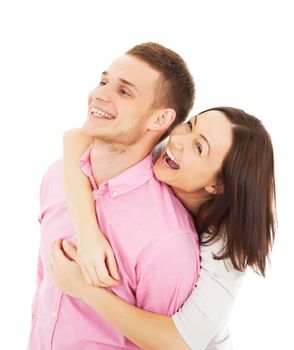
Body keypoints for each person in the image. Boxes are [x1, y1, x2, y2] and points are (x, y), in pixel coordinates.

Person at [48, 106, 276, 350]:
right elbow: (77, 139)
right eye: (190, 125)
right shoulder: (164, 155)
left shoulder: (226, 247)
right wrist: (88, 236)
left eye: (199, 147)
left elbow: (179, 342)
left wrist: (84, 289)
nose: (178, 140)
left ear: (217, 184)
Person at [28, 42, 201, 350]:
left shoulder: (168, 240)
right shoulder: (57, 176)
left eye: (124, 92)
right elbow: (44, 286)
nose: (100, 94)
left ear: (160, 120)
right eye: (104, 81)